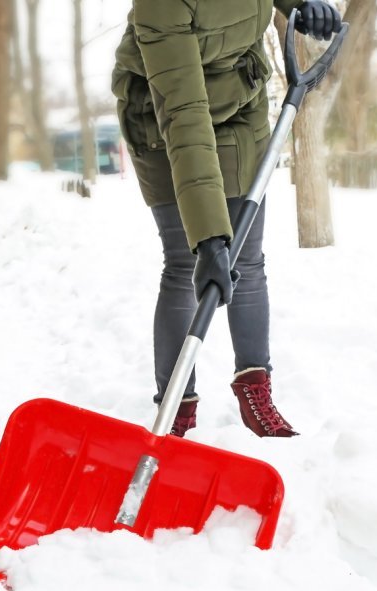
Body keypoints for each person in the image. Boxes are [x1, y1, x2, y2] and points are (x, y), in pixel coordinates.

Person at [111, 0, 341, 438]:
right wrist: (209, 238)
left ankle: (256, 388)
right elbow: (184, 115)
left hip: (239, 101)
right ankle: (176, 406)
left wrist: (304, 4)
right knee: (187, 263)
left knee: (247, 261)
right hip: (164, 118)